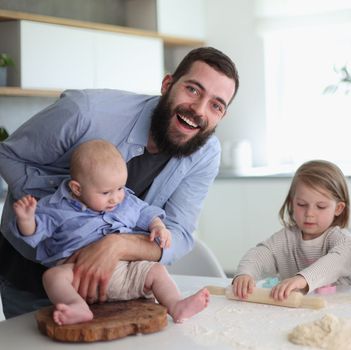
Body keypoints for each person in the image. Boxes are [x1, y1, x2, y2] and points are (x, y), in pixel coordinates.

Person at [0, 46, 239, 318]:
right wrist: (68, 206)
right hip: (35, 276)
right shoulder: (84, 113)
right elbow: (8, 155)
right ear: (167, 84)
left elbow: (180, 232)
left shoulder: (205, 153)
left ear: (222, 115)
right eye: (193, 90)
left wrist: (116, 245)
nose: (198, 109)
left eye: (216, 105)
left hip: (120, 282)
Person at [12, 140, 209, 325]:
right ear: (77, 189)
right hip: (79, 276)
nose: (115, 198)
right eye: (106, 193)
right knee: (52, 277)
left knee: (157, 271)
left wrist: (158, 226)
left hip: (125, 272)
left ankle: (176, 305)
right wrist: (26, 219)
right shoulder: (56, 208)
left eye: (120, 188)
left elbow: (145, 212)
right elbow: (34, 233)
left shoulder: (125, 201)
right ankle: (77, 307)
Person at [232, 160, 351, 301]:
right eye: (302, 204)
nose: (310, 213)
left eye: (320, 206)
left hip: (338, 312)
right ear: (291, 203)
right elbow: (260, 254)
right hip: (292, 315)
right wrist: (245, 274)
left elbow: (335, 262)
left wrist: (301, 279)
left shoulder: (342, 240)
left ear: (338, 208)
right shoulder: (286, 238)